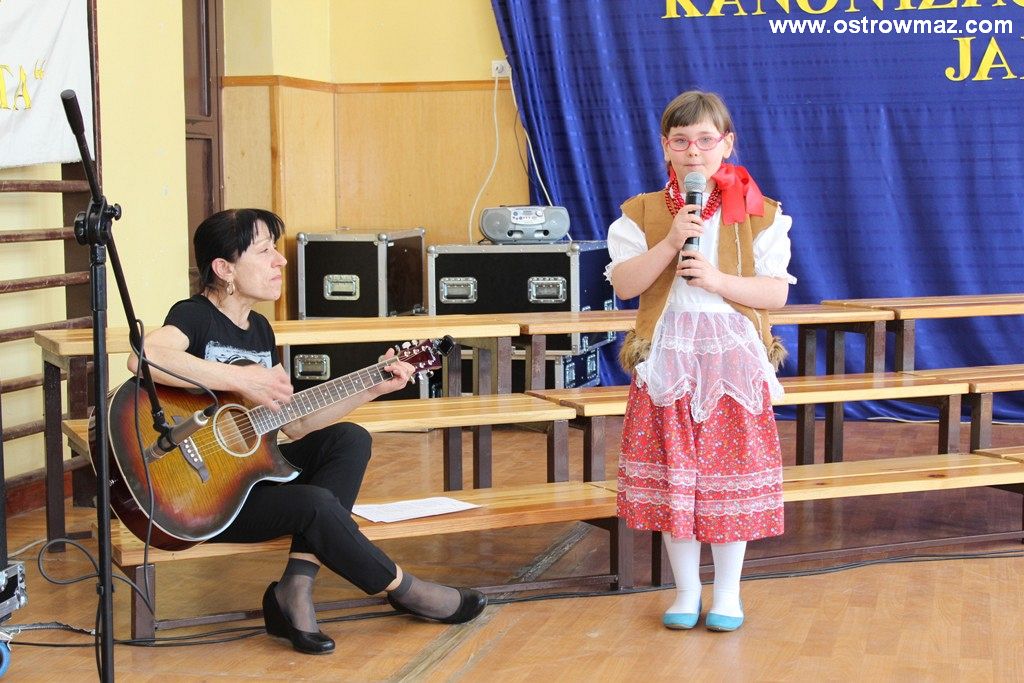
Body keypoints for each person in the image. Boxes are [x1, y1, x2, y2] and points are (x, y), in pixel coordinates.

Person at [128, 208, 486, 655]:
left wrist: (372, 386)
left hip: (249, 477)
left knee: (349, 438)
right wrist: (243, 379)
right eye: (265, 251)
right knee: (315, 504)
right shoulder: (195, 315)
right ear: (224, 269)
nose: (280, 261)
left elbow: (293, 423)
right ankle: (403, 588)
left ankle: (295, 587)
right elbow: (144, 357)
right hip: (199, 495)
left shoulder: (259, 330)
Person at [606, 91, 795, 632]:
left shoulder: (760, 213)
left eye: (706, 140)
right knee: (677, 476)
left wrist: (717, 280)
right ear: (666, 147)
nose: (694, 151)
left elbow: (776, 293)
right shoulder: (642, 212)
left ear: (726, 144)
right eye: (682, 141)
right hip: (668, 354)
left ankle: (728, 593)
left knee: (726, 476)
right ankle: (686, 591)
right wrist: (670, 242)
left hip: (730, 356)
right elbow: (625, 285)